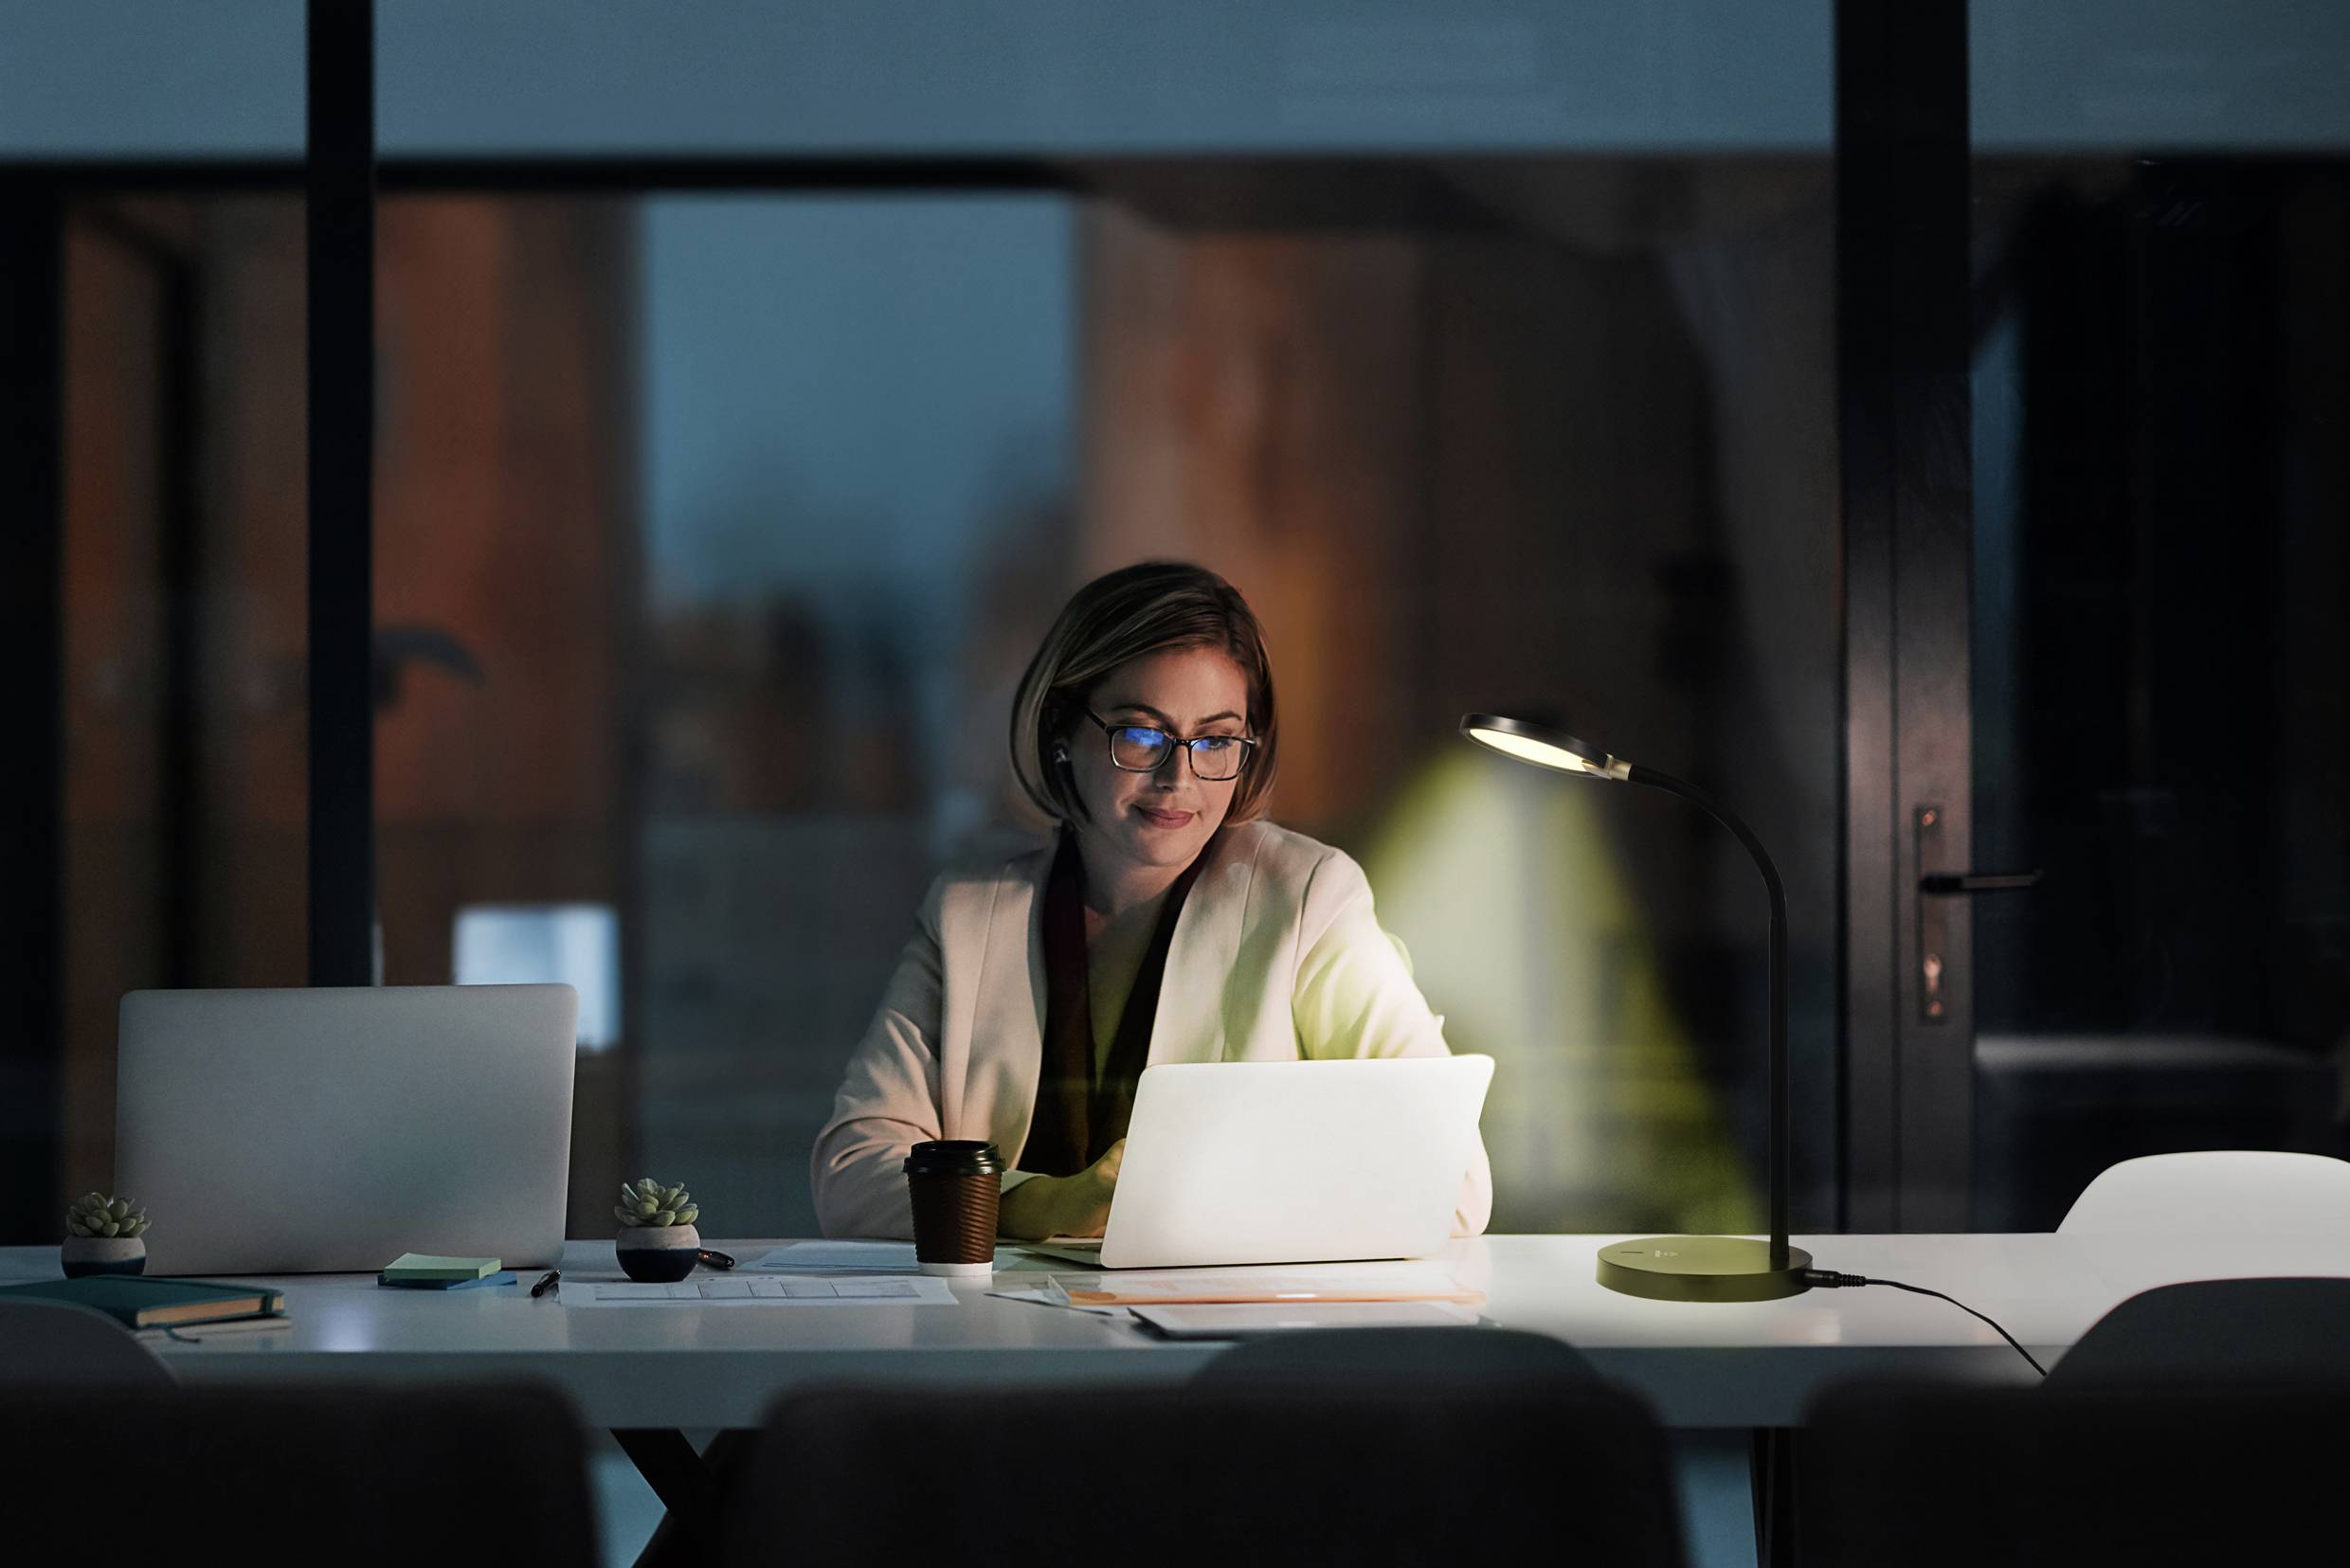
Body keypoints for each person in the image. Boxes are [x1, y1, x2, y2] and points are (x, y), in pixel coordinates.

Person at [811, 560, 1492, 1240]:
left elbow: (1452, 1184)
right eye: (1141, 735)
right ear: (1061, 733)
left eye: (1217, 739)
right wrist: (1040, 1205)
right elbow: (850, 1174)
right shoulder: (968, 914)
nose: (1179, 776)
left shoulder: (1309, 899)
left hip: (1222, 1333)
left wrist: (1182, 1210)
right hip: (1003, 1337)